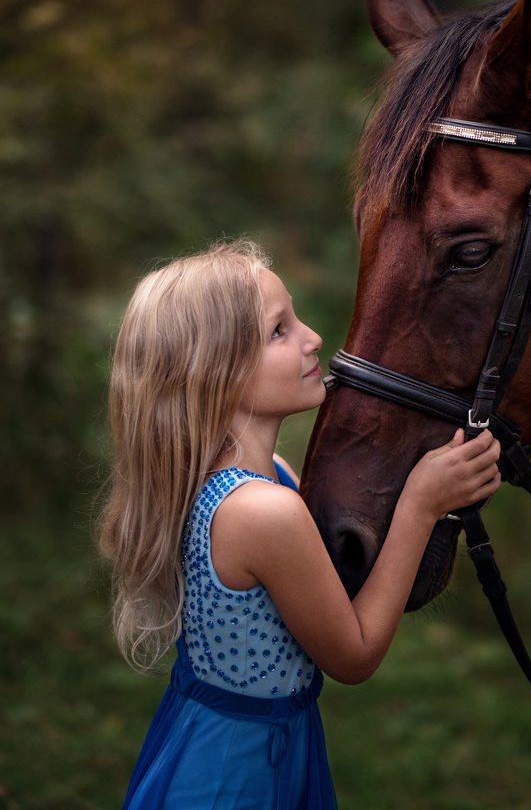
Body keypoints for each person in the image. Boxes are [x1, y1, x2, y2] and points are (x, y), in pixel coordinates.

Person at [99, 239, 501, 809]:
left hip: (244, 741)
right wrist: (420, 506)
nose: (313, 338)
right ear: (216, 371)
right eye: (278, 331)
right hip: (234, 776)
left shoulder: (270, 479)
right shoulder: (265, 511)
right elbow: (353, 655)